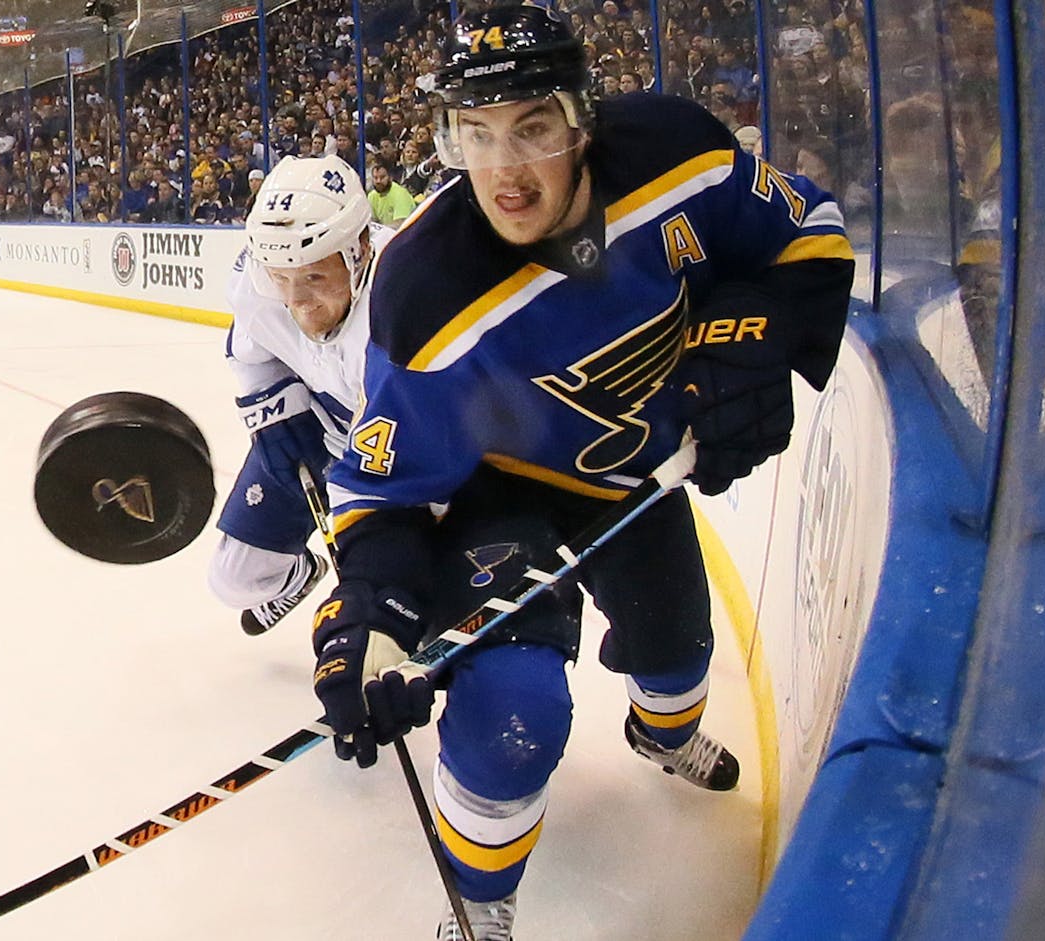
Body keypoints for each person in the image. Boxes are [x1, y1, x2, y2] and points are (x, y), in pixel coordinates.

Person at [309, 5, 855, 938]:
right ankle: (478, 907)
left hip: (635, 481)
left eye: (534, 128)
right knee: (510, 713)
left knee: (680, 658)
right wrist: (370, 616)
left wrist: (752, 341)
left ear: (583, 119)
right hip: (500, 497)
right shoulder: (425, 293)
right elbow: (383, 490)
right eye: (473, 135)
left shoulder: (678, 154)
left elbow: (806, 231)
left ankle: (664, 731)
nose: (505, 170)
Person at [207, 155, 395, 636]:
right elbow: (250, 352)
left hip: (396, 455)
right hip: (316, 426)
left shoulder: (402, 301)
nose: (296, 301)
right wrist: (273, 415)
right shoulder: (257, 283)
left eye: (313, 277)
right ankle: (302, 575)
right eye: (282, 278)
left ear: (359, 251)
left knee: (408, 602)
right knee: (233, 580)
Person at [366, 161, 417, 227]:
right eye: (375, 178)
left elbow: (400, 223)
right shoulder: (371, 196)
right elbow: (371, 221)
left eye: (382, 177)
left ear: (390, 177)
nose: (378, 181)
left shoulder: (401, 194)